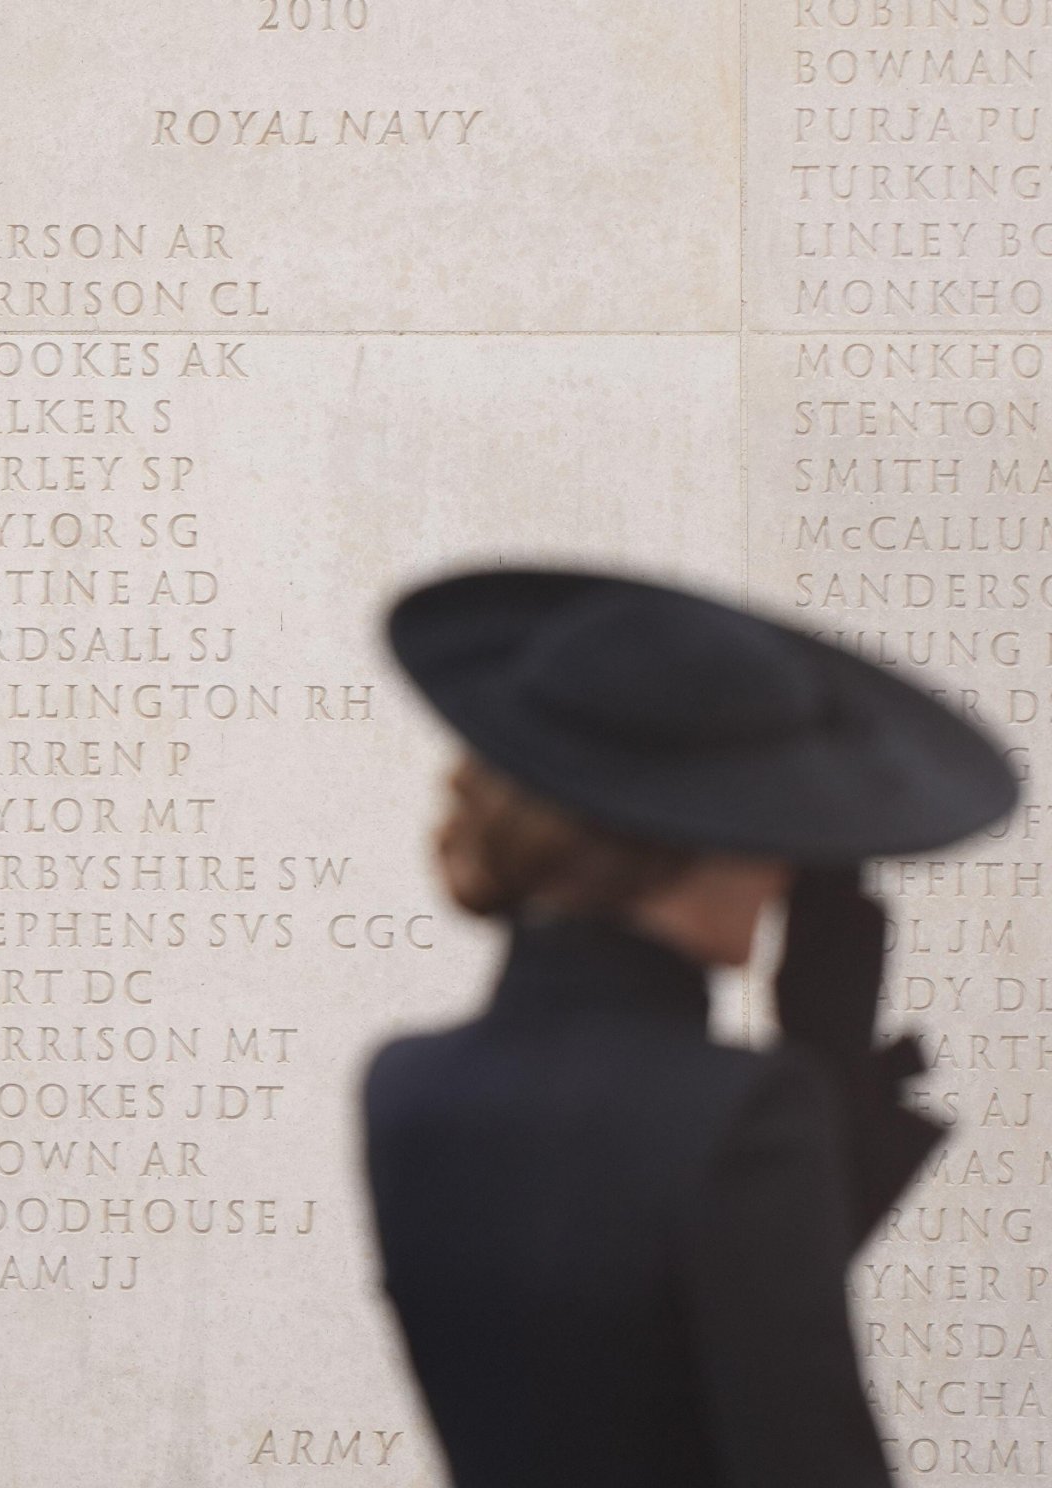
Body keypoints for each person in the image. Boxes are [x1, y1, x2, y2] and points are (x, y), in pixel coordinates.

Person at [360, 566, 1020, 1488]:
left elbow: (639, 1347)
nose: (788, 871)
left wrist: (822, 1088)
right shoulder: (739, 1113)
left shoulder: (404, 1087)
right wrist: (819, 1080)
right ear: (691, 843)